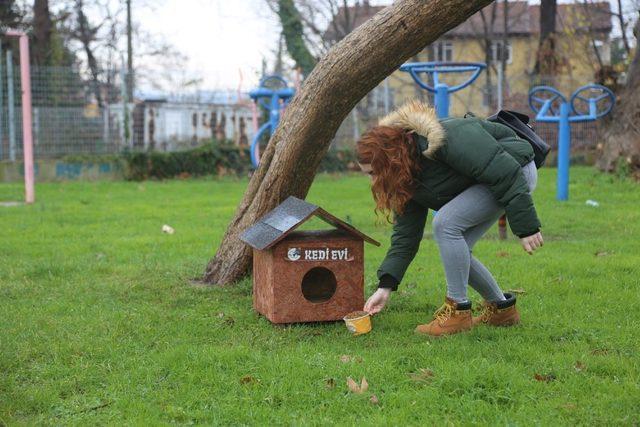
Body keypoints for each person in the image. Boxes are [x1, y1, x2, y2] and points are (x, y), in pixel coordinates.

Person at [357, 100, 543, 336]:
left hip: (516, 171)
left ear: (390, 159)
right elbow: (406, 236)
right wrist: (386, 286)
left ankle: (457, 311)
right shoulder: (404, 175)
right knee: (457, 243)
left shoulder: (446, 137)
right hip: (490, 180)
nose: (373, 181)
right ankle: (501, 310)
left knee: (446, 224)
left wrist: (526, 227)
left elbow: (503, 170)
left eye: (373, 173)